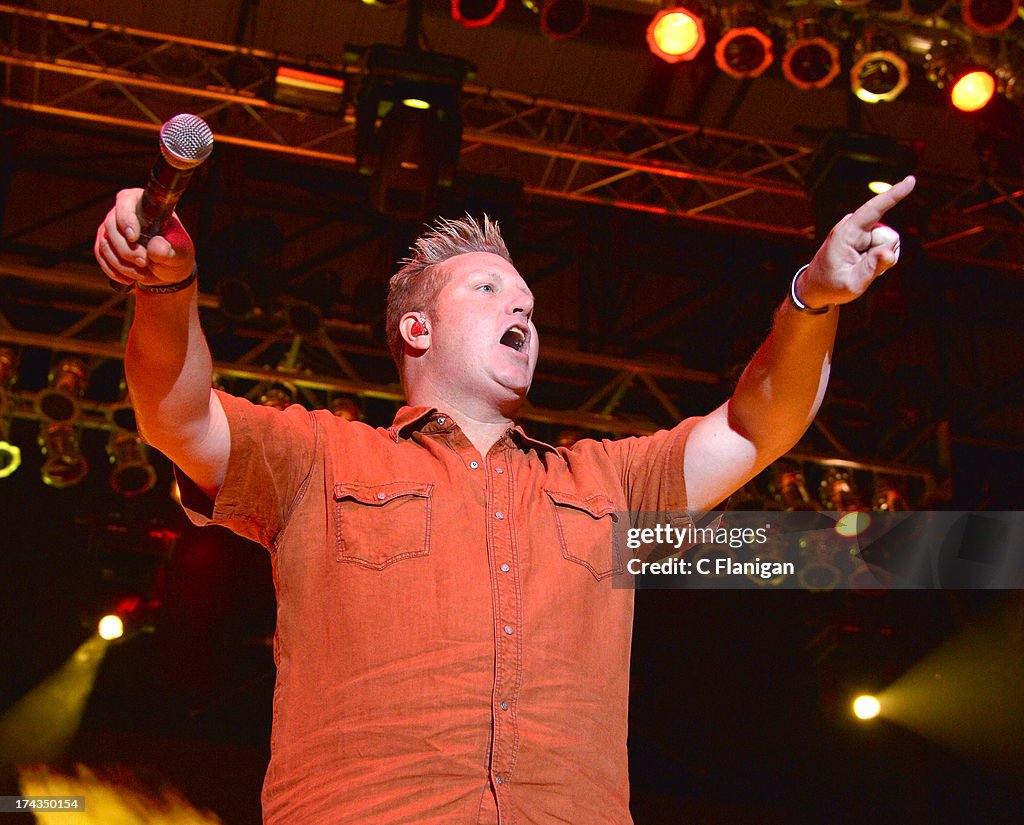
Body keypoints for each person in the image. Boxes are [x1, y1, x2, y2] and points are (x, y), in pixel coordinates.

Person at [94, 176, 915, 824]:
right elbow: (176, 410)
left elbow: (754, 426)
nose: (523, 303)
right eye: (489, 290)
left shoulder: (610, 482)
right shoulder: (319, 456)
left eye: (525, 296)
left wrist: (813, 298)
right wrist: (167, 283)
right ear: (417, 330)